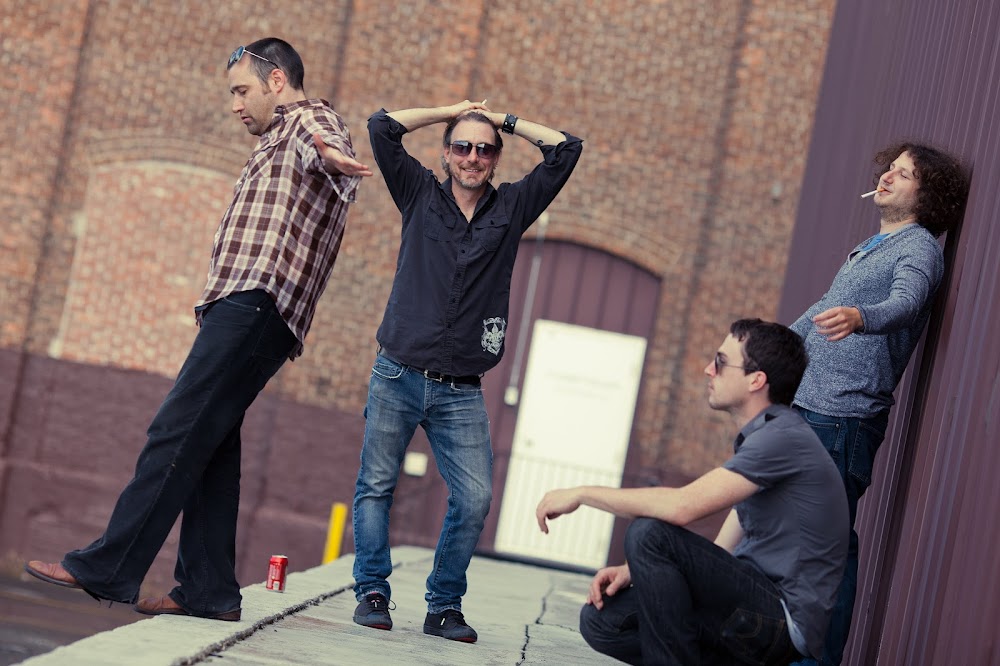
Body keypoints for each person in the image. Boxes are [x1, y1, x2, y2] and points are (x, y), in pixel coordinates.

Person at [23, 37, 371, 621]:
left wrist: (332, 157)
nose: (235, 105)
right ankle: (208, 591)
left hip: (256, 303)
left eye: (242, 90)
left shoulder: (308, 122)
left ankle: (108, 566)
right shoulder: (275, 139)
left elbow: (323, 145)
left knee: (175, 428)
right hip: (244, 307)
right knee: (212, 445)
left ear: (277, 80)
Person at [350, 101, 583, 642]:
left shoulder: (514, 207)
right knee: (376, 486)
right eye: (462, 146)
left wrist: (503, 121)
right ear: (446, 153)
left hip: (460, 390)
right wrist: (453, 110)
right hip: (397, 373)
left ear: (496, 157)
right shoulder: (417, 193)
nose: (472, 157)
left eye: (483, 149)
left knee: (475, 498)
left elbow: (566, 149)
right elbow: (381, 128)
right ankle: (372, 592)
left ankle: (444, 606)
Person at [536, 319, 850, 664]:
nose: (708, 370)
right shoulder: (766, 436)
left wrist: (581, 494)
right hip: (752, 605)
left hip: (779, 618)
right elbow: (727, 539)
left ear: (756, 380)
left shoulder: (781, 438)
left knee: (649, 534)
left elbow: (682, 506)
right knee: (603, 621)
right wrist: (641, 569)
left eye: (721, 362)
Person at [788, 142, 971, 665]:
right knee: (796, 537)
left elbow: (906, 303)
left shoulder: (918, 248)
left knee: (827, 547)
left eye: (904, 174)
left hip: (842, 418)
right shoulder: (874, 245)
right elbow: (823, 310)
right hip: (809, 405)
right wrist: (766, 348)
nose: (887, 177)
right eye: (889, 169)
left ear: (927, 195)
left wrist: (861, 317)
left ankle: (815, 661)